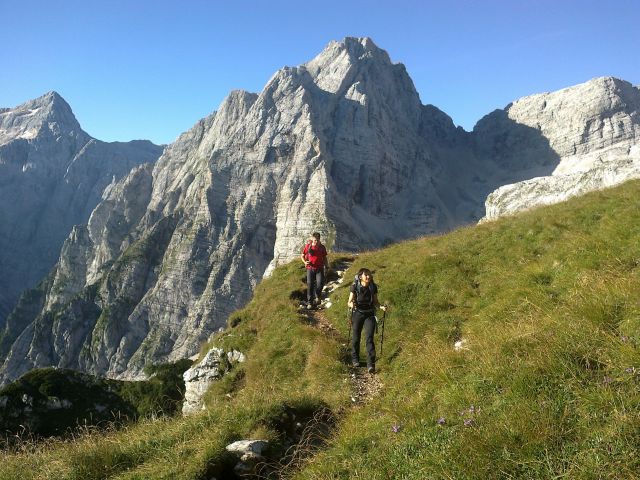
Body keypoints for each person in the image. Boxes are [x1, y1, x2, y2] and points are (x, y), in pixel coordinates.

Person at [347, 268, 387, 374]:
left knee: (369, 338)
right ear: (361, 277)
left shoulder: (372, 287)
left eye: (369, 275)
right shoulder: (355, 286)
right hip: (357, 314)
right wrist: (352, 305)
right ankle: (355, 359)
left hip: (369, 314)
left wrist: (381, 307)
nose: (368, 277)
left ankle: (371, 364)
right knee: (356, 337)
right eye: (366, 275)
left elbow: (376, 302)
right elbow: (349, 302)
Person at [300, 232, 329, 309]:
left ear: (319, 239)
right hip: (310, 268)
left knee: (320, 284)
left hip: (319, 268)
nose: (316, 242)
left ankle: (317, 296)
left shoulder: (322, 247)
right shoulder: (308, 246)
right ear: (312, 239)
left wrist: (327, 265)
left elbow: (324, 257)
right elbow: (302, 256)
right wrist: (305, 262)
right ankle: (310, 303)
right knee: (310, 285)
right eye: (315, 240)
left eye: (317, 240)